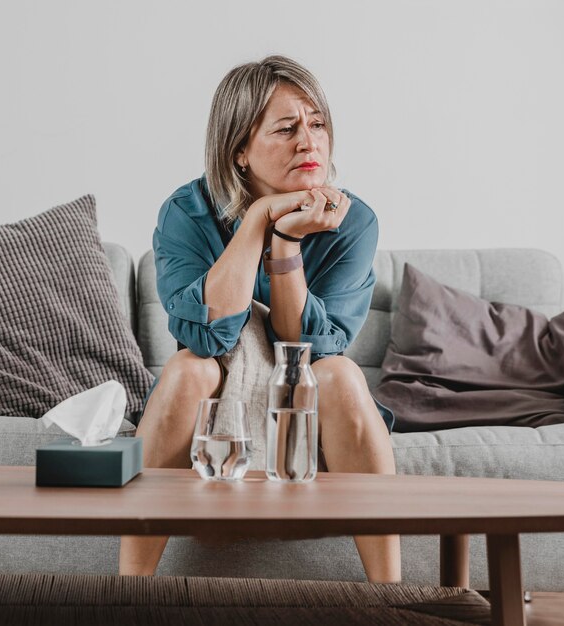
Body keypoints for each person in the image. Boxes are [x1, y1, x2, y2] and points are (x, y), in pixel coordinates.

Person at [119, 55, 401, 582]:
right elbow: (208, 334)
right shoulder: (186, 212)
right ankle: (129, 593)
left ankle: (390, 595)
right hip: (215, 387)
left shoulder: (351, 219)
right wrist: (256, 221)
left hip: (309, 404)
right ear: (240, 151)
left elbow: (311, 348)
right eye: (287, 128)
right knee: (188, 370)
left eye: (317, 124)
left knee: (341, 374)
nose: (309, 141)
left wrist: (288, 240)